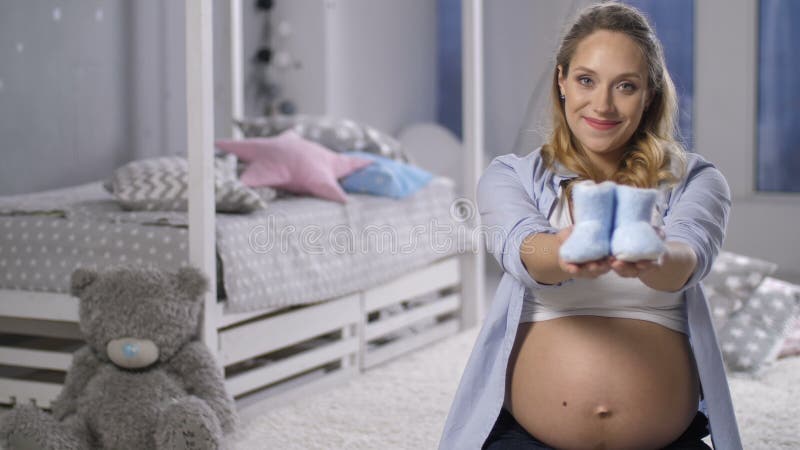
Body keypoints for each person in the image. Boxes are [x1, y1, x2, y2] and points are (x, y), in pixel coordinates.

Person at [439, 3, 742, 450]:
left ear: (651, 94)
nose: (602, 104)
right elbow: (524, 251)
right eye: (586, 80)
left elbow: (688, 258)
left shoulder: (696, 179)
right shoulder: (512, 175)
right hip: (530, 438)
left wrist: (651, 254)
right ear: (561, 80)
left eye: (625, 86)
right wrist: (564, 251)